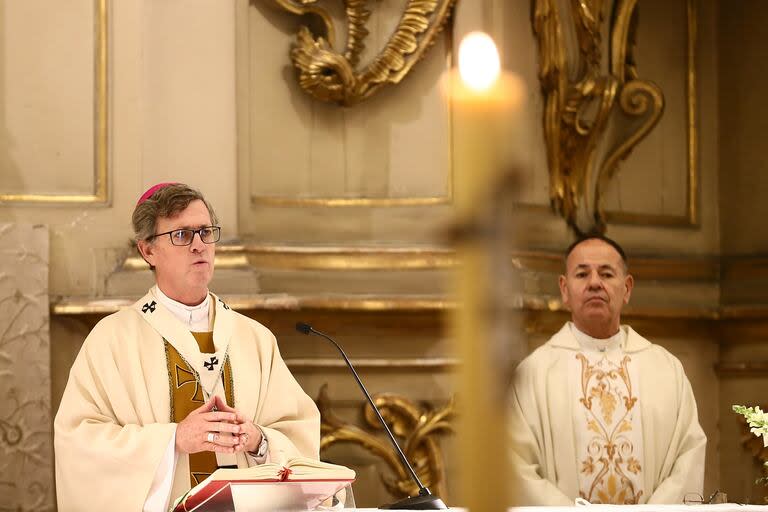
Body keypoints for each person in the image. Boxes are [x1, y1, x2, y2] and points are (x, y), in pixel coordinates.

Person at [54, 183, 320, 512]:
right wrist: (173, 440)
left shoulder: (254, 338)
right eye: (181, 235)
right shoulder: (112, 340)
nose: (198, 245)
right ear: (147, 250)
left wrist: (258, 440)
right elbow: (79, 445)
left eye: (205, 232)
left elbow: (300, 439)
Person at [509, 235, 706, 505]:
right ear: (564, 289)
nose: (594, 283)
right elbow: (517, 468)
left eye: (606, 273)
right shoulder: (533, 374)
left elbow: (688, 458)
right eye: (582, 274)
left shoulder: (666, 370)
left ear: (626, 288)